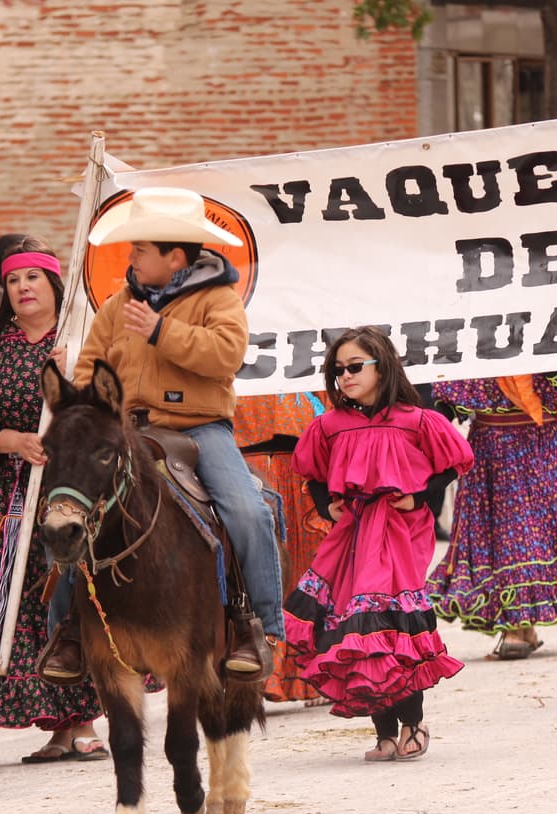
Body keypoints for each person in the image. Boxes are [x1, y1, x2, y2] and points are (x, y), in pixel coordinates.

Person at [51, 187, 284, 681]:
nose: (131, 258)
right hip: (123, 430)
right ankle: (70, 631)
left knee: (247, 511)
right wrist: (85, 413)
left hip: (198, 429)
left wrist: (161, 331)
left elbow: (227, 355)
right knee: (72, 506)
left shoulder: (218, 298)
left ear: (174, 256)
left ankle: (255, 627)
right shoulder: (117, 305)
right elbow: (90, 364)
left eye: (140, 249)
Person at [0, 239, 107, 762]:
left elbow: (114, 404)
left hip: (76, 488)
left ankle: (86, 719)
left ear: (55, 284)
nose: (22, 288)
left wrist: (73, 373)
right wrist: (9, 439)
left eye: (33, 277)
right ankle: (58, 724)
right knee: (30, 596)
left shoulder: (82, 339)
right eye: (13, 280)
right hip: (16, 491)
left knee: (74, 591)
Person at [285, 326, 473, 761]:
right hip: (352, 535)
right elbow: (313, 474)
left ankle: (413, 722)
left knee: (393, 622)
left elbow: (453, 464)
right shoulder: (329, 426)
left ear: (382, 367)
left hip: (401, 532)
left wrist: (421, 495)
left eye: (355, 367)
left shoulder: (418, 420)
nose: (346, 377)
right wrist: (326, 506)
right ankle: (384, 732)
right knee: (360, 629)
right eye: (338, 371)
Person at [427, 370, 557, 659]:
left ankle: (517, 626)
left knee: (530, 536)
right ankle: (521, 627)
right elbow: (452, 394)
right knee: (498, 539)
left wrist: (549, 365)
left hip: (538, 443)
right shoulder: (480, 344)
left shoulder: (548, 342)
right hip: (489, 446)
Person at [231, 392, 331, 705]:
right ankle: (254, 672)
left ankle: (315, 674)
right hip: (244, 461)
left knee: (309, 571)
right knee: (251, 574)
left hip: (304, 464)